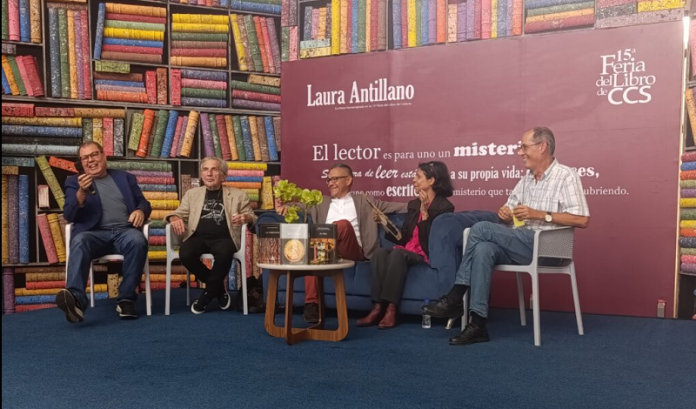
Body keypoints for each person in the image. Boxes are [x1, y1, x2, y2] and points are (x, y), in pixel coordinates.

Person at [423, 127, 590, 345]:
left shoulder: (566, 176)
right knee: (483, 249)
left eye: (524, 147)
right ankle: (478, 324)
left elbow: (582, 219)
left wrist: (540, 215)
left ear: (542, 147)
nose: (520, 152)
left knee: (481, 228)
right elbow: (509, 215)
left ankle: (455, 295)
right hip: (521, 242)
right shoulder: (526, 180)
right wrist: (505, 215)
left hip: (548, 246)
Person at [277, 163, 407, 323]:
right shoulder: (320, 202)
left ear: (348, 180)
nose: (330, 183)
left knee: (342, 226)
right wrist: (286, 207)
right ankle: (311, 304)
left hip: (352, 251)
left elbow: (398, 207)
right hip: (325, 250)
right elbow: (298, 206)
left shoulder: (365, 201)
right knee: (315, 252)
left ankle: (318, 247)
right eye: (328, 179)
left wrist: (424, 204)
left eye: (335, 179)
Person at [57, 141, 152, 323]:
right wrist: (81, 193)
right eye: (85, 158)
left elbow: (143, 202)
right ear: (81, 163)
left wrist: (140, 210)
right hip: (94, 234)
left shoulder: (125, 178)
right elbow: (69, 214)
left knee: (138, 240)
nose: (90, 160)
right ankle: (76, 301)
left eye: (94, 154)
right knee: (79, 240)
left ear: (103, 156)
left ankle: (126, 299)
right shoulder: (74, 182)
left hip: (124, 231)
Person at [356, 161, 454, 329]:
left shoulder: (445, 207)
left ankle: (391, 309)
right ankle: (377, 308)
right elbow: (403, 237)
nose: (413, 180)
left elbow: (433, 240)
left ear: (431, 180)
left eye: (418, 177)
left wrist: (425, 213)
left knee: (397, 254)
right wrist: (384, 223)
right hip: (408, 249)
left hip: (425, 252)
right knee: (380, 253)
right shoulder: (413, 204)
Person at [165, 157, 257, 314]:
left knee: (225, 253)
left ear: (223, 175)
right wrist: (174, 218)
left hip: (225, 238)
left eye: (214, 170)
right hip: (197, 237)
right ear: (201, 174)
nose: (209, 174)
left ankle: (206, 297)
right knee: (185, 253)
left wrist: (246, 218)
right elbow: (178, 213)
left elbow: (253, 218)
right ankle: (218, 289)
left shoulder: (238, 195)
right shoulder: (192, 194)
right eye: (205, 170)